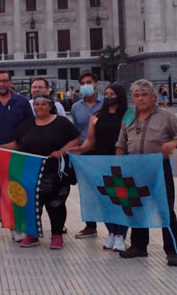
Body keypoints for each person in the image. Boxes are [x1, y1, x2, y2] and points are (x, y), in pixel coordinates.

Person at [116, 79, 177, 267]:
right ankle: (139, 246)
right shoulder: (128, 115)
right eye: (137, 95)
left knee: (165, 210)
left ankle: (172, 251)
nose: (141, 98)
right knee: (136, 208)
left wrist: (172, 144)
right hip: (134, 169)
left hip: (158, 170)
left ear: (153, 96)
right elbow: (121, 142)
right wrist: (119, 164)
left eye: (145, 94)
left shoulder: (166, 116)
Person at [0, 96, 80, 250]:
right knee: (31, 203)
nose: (40, 107)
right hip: (30, 172)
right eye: (37, 104)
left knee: (55, 204)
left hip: (55, 171)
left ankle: (57, 235)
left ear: (50, 106)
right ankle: (32, 234)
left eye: (44, 104)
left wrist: (61, 152)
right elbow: (17, 144)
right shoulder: (26, 125)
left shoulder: (62, 123)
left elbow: (76, 140)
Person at [70, 83, 130, 252]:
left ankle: (121, 235)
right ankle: (111, 232)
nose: (109, 96)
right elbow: (90, 140)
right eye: (107, 93)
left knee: (122, 200)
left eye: (112, 94)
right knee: (106, 199)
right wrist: (81, 149)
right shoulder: (96, 116)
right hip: (101, 161)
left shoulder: (128, 115)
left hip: (122, 162)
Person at [71, 70, 104, 240]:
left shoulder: (105, 103)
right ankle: (91, 226)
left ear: (96, 84)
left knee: (107, 188)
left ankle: (114, 227)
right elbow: (77, 130)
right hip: (84, 153)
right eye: (82, 83)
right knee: (88, 191)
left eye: (89, 82)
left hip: (104, 152)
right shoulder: (76, 107)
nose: (85, 86)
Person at [0, 70, 34, 148]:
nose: (1, 84)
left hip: (19, 151)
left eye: (5, 81)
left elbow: (31, 126)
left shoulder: (23, 102)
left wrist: (17, 143)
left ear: (11, 82)